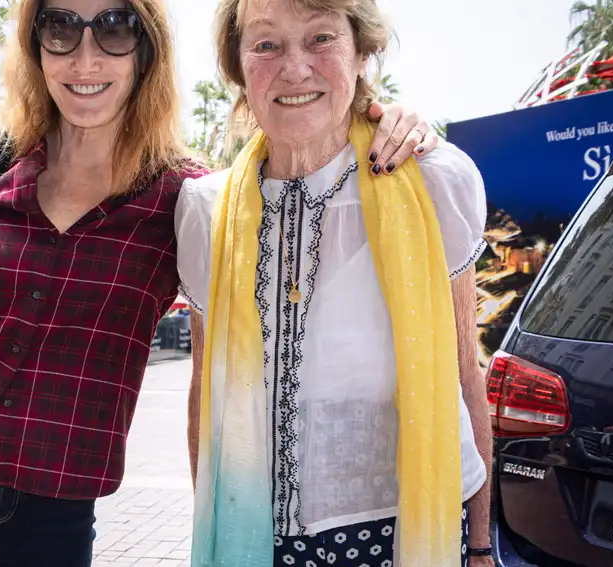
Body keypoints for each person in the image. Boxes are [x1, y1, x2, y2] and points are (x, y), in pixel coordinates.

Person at [0, 0, 437, 565]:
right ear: (36, 47)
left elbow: (302, 168)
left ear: (146, 49)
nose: (86, 60)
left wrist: (386, 118)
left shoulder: (186, 199)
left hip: (54, 500)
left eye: (114, 28)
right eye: (60, 28)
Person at [177, 1, 493, 566]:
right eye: (266, 44)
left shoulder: (433, 182)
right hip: (254, 533)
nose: (295, 68)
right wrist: (214, 519)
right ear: (239, 69)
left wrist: (480, 546)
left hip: (398, 528)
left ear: (361, 52)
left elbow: (465, 369)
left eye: (321, 38)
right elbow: (205, 386)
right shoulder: (206, 209)